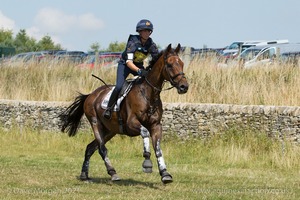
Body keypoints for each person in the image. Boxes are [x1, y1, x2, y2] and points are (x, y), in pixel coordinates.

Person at [103, 19, 159, 120]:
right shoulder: (133, 42)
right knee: (119, 87)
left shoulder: (151, 44)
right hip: (125, 65)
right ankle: (109, 108)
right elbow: (129, 62)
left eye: (148, 31)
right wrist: (139, 71)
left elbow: (157, 59)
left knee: (146, 84)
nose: (147, 33)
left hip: (138, 65)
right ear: (140, 32)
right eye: (144, 31)